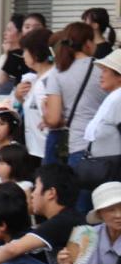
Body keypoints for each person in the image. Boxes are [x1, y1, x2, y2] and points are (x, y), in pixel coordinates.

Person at [44, 22, 108, 210]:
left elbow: (54, 119)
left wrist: (47, 118)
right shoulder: (103, 70)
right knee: (109, 205)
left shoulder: (57, 73)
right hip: (109, 147)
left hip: (79, 146)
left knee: (82, 208)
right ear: (88, 43)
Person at [76, 50, 121, 191]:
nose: (101, 75)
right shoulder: (113, 98)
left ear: (119, 76)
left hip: (113, 171)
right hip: (105, 168)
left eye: (106, 71)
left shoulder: (118, 100)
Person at [18, 27, 55, 165]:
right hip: (36, 149)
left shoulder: (47, 81)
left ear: (35, 53)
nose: (23, 56)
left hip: (45, 150)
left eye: (25, 51)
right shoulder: (34, 79)